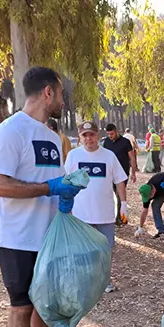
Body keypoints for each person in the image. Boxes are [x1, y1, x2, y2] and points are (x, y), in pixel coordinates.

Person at [0, 66, 83, 327]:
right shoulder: (9, 132)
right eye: (61, 94)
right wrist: (48, 188)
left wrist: (64, 197)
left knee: (45, 307)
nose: (63, 101)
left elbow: (50, 181)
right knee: (22, 308)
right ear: (48, 92)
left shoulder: (52, 137)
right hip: (15, 238)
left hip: (48, 238)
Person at [65, 120, 129, 293]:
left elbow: (120, 181)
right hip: (81, 214)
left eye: (91, 134)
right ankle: (85, 281)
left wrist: (123, 203)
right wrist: (66, 206)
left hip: (105, 213)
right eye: (84, 135)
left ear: (97, 136)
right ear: (80, 138)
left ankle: (104, 281)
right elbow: (67, 182)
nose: (88, 139)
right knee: (82, 250)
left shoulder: (108, 156)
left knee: (105, 249)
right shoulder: (73, 156)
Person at [103, 123, 137, 226]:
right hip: (109, 173)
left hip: (122, 173)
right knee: (109, 194)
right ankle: (110, 216)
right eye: (108, 134)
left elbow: (132, 157)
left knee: (119, 195)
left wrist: (133, 173)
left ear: (116, 131)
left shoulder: (125, 142)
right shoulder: (106, 142)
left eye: (112, 134)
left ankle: (119, 219)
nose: (110, 136)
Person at [136, 169, 164, 238]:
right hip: (163, 192)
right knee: (155, 205)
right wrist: (140, 227)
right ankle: (161, 231)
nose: (149, 199)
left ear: (153, 191)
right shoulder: (146, 192)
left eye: (150, 196)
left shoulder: (161, 180)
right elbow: (144, 211)